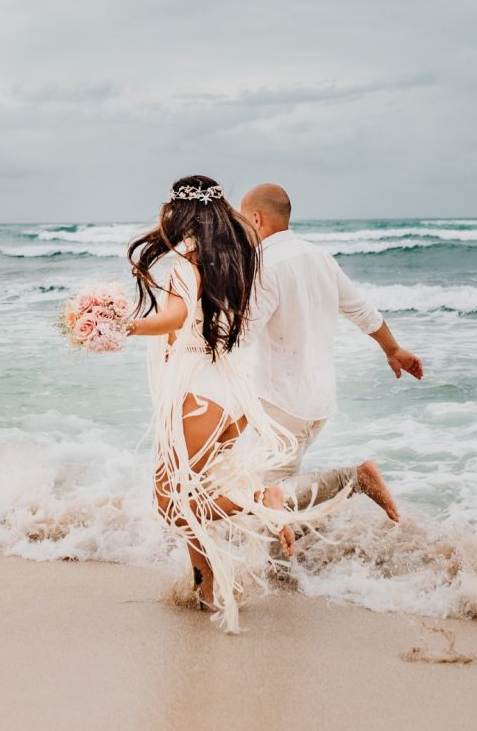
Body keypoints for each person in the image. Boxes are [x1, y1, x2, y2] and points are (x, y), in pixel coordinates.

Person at [125, 175, 350, 632]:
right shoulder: (241, 259)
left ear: (181, 213)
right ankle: (205, 587)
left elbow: (175, 316)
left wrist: (123, 324)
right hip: (231, 392)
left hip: (197, 392)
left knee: (171, 501)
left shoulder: (187, 262)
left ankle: (263, 498)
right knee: (190, 493)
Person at [239, 184, 423, 530]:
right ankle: (290, 556)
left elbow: (241, 336)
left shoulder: (263, 267)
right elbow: (361, 310)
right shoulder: (319, 256)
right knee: (276, 501)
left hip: (280, 401)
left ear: (257, 219)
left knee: (263, 495)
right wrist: (393, 349)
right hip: (319, 400)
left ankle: (353, 479)